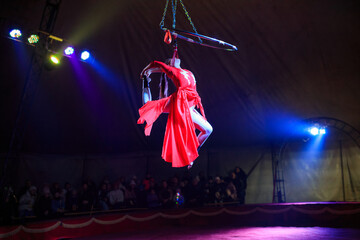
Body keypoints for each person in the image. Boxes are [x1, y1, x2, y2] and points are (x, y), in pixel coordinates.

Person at [137, 55, 213, 169]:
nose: (176, 58)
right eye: (173, 59)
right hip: (181, 105)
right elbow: (156, 63)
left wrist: (149, 71)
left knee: (208, 129)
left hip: (186, 105)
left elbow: (157, 67)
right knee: (148, 106)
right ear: (170, 65)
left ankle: (190, 152)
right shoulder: (172, 71)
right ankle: (145, 82)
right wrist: (145, 71)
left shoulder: (187, 71)